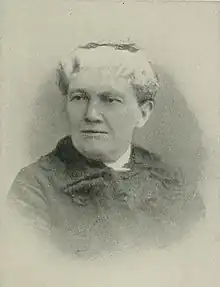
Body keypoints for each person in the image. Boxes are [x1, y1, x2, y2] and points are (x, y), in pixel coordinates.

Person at [3, 42, 205, 258]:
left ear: (143, 113)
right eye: (79, 97)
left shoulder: (174, 185)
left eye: (110, 100)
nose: (91, 114)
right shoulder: (34, 188)